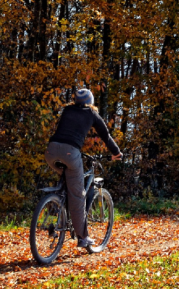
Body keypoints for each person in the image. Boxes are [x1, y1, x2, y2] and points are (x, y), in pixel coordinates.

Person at [45, 89, 122, 248]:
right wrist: (116, 153)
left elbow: (67, 130)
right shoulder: (91, 114)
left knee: (68, 182)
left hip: (51, 151)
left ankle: (55, 208)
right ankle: (83, 237)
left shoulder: (67, 109)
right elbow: (105, 136)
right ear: (91, 102)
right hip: (70, 153)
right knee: (78, 195)